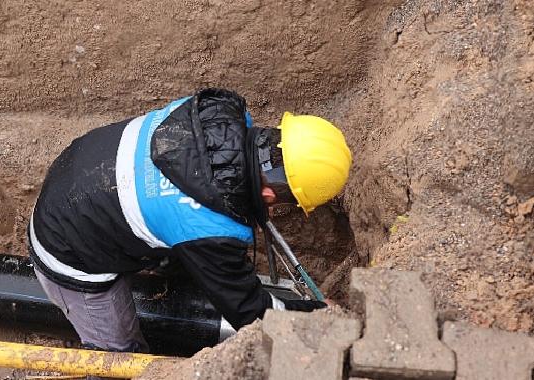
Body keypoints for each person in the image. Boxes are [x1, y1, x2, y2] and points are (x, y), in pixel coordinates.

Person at [28, 88, 352, 353]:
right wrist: (319, 318)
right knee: (120, 357)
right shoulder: (209, 228)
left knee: (183, 253)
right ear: (273, 195)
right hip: (66, 250)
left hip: (78, 172)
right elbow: (252, 314)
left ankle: (171, 266)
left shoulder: (219, 113)